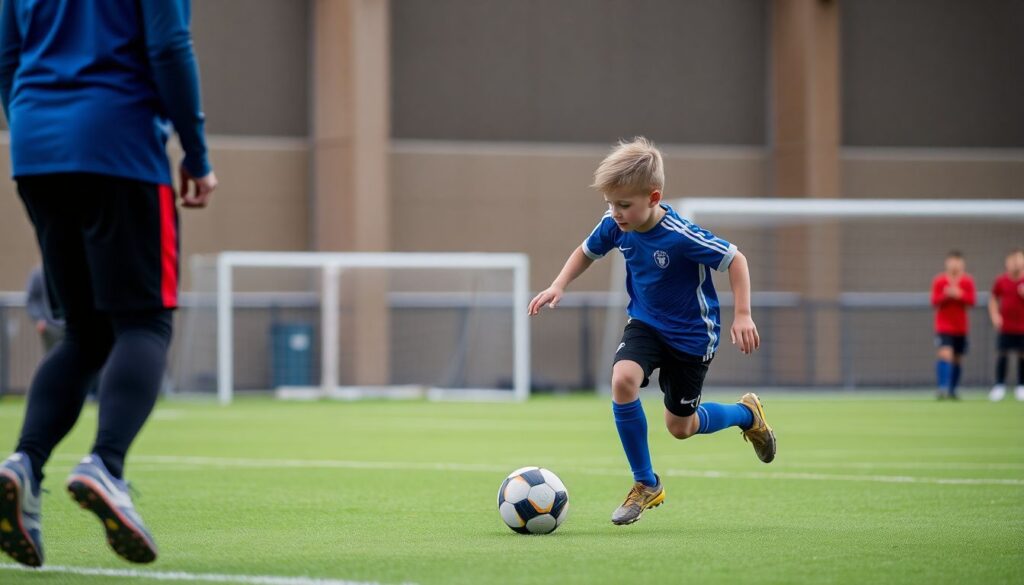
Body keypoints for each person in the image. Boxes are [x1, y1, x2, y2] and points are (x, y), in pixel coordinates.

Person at [0, 0, 217, 568]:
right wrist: (195, 154)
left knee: (85, 334)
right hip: (119, 143)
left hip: (36, 150)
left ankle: (24, 463)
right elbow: (169, 46)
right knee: (145, 320)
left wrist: (31, 127)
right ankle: (106, 465)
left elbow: (7, 58)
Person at [528, 137, 774, 526]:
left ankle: (747, 416)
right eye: (610, 203)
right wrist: (559, 285)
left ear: (653, 197)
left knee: (681, 427)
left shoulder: (680, 234)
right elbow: (584, 252)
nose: (615, 213)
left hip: (693, 336)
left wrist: (743, 314)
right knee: (622, 379)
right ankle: (646, 483)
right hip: (645, 323)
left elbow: (736, 259)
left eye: (624, 205)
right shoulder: (614, 224)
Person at [930, 251, 975, 400]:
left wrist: (959, 294)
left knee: (957, 358)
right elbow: (934, 301)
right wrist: (946, 295)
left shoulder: (967, 281)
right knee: (945, 354)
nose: (954, 265)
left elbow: (971, 301)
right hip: (944, 326)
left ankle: (953, 389)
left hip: (960, 327)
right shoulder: (940, 281)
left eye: (957, 261)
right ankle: (942, 387)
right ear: (947, 263)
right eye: (952, 261)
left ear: (962, 264)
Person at [987, 249, 1024, 402]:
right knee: (1002, 354)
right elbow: (993, 299)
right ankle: (999, 385)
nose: (1015, 262)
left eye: (1018, 259)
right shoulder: (1001, 281)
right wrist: (995, 316)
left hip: (1022, 327)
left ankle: (1021, 386)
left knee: (1022, 355)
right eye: (1012, 259)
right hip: (1006, 326)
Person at [24, 265, 64, 353]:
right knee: (52, 354)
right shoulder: (38, 274)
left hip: (72, 325)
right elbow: (31, 299)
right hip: (50, 327)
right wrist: (39, 319)